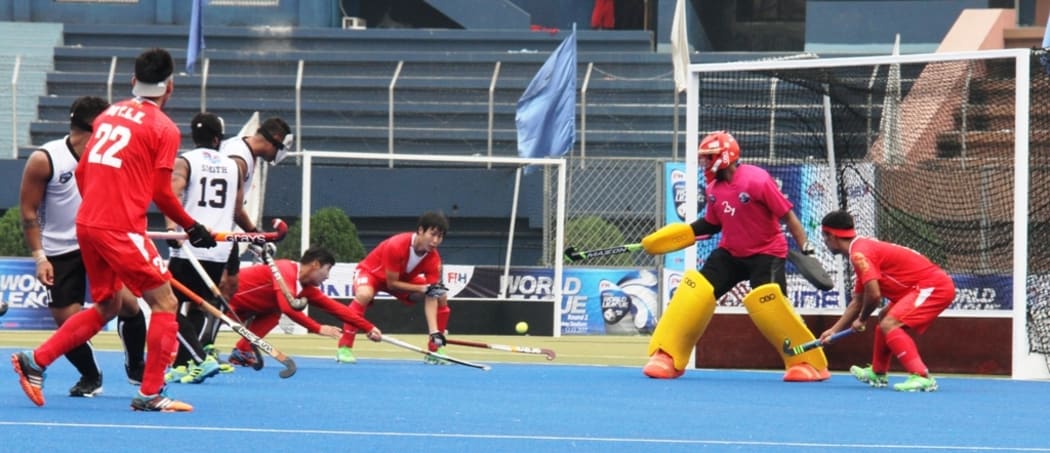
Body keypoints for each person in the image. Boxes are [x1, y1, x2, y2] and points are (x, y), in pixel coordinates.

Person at [11, 48, 218, 412]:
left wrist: (100, 207)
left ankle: (36, 360)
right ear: (169, 87)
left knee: (107, 304)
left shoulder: (109, 115)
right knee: (165, 302)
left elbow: (81, 172)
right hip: (120, 228)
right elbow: (161, 193)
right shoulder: (163, 128)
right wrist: (193, 226)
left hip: (87, 223)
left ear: (132, 81)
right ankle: (151, 393)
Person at [639, 130, 830, 381]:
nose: (705, 163)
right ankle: (667, 355)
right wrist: (678, 235)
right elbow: (711, 224)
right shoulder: (713, 188)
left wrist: (807, 248)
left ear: (725, 156)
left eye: (709, 157)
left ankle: (807, 362)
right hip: (730, 252)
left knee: (770, 301)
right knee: (696, 288)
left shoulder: (757, 180)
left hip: (767, 252)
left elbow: (788, 216)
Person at [18, 96, 148, 397]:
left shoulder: (112, 157)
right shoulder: (46, 158)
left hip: (101, 243)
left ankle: (136, 367)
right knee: (68, 322)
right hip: (59, 250)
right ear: (97, 125)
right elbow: (28, 212)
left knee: (128, 303)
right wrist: (40, 257)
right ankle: (91, 376)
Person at [817, 210, 955, 392]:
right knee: (884, 317)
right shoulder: (861, 249)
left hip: (933, 286)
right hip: (919, 288)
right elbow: (858, 301)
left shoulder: (860, 254)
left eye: (824, 238)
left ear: (832, 236)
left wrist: (862, 319)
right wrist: (833, 331)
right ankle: (878, 372)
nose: (825, 243)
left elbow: (874, 295)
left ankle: (922, 376)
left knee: (890, 323)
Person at [163, 112, 246, 384]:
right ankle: (183, 365)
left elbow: (173, 194)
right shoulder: (235, 167)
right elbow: (236, 210)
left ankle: (200, 357)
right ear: (217, 138)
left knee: (167, 306)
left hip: (190, 245)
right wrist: (254, 234)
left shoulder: (185, 161)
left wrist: (172, 228)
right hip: (219, 248)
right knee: (197, 307)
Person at [223, 246, 382, 367]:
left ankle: (242, 352)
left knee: (274, 314)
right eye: (327, 270)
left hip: (245, 309)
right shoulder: (286, 269)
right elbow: (288, 307)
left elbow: (337, 309)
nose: (327, 277)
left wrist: (368, 327)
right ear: (316, 264)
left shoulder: (307, 288)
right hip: (224, 301)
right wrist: (317, 328)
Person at [336, 211, 449, 364]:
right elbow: (392, 284)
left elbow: (432, 295)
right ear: (421, 230)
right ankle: (344, 347)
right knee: (364, 295)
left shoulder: (434, 258)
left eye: (440, 236)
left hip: (402, 279)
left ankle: (434, 351)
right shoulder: (397, 245)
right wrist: (422, 289)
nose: (435, 241)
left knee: (440, 295)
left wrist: (434, 332)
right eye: (433, 234)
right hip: (372, 274)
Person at [220, 115, 292, 234]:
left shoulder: (242, 147)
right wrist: (257, 236)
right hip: (213, 234)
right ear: (276, 138)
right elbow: (234, 208)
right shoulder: (239, 158)